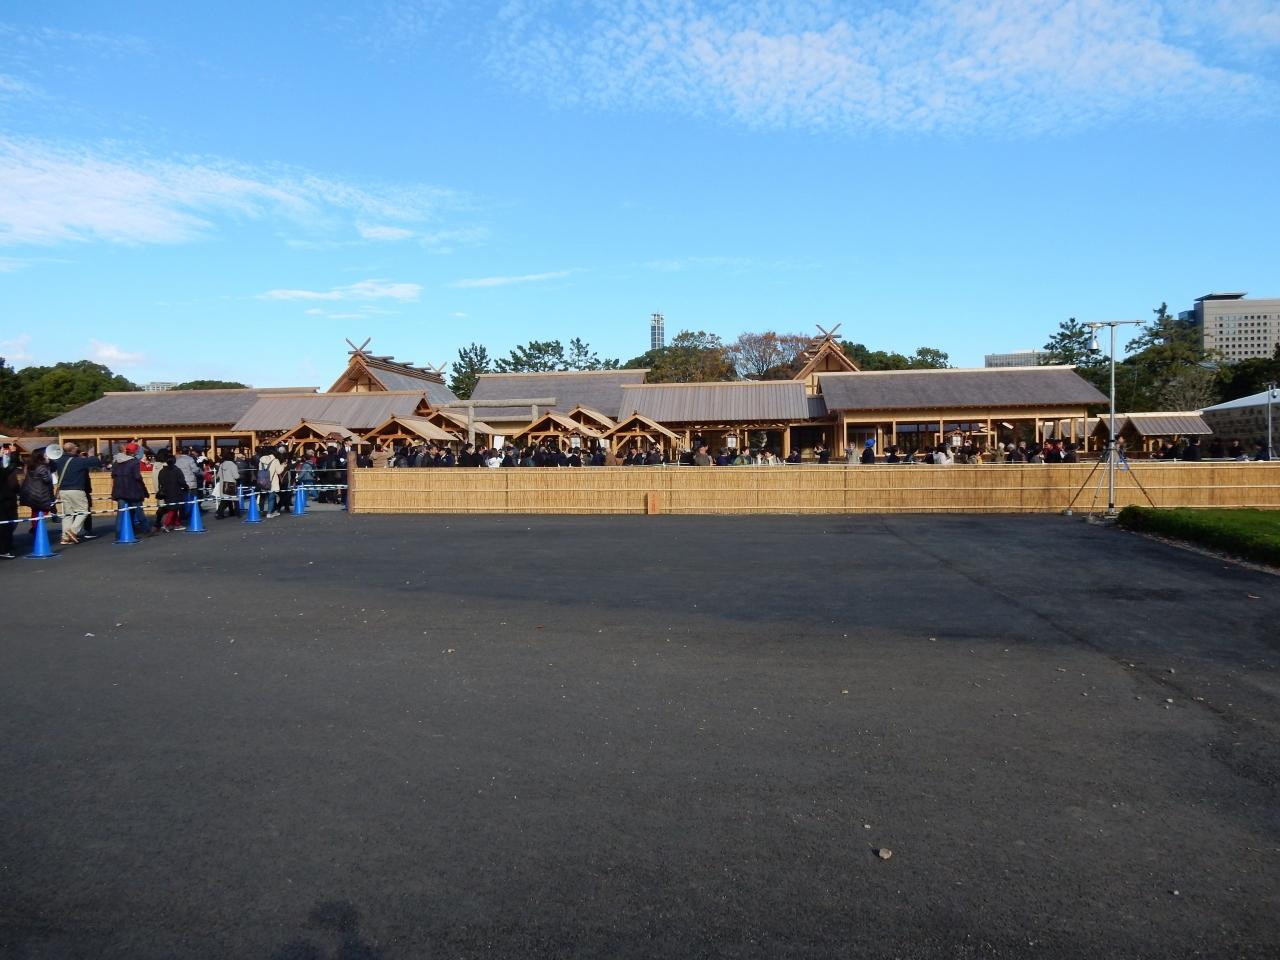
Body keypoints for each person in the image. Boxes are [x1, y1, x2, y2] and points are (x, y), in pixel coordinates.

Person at [55, 443, 98, 544]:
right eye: (75, 447)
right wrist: (90, 455)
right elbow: (96, 461)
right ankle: (73, 531)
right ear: (73, 450)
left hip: (63, 490)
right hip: (76, 489)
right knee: (83, 511)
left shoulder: (59, 461)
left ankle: (65, 537)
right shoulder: (79, 461)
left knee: (68, 514)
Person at [154, 454, 188, 532]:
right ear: (174, 461)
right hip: (176, 492)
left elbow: (160, 482)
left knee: (173, 508)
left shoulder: (162, 471)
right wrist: (186, 487)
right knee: (173, 509)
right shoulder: (177, 470)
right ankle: (166, 524)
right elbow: (182, 482)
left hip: (166, 492)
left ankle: (176, 524)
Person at [0, 442, 21, 558]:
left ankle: (5, 547)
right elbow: (9, 468)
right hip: (4, 498)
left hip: (6, 497)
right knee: (5, 525)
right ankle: (3, 550)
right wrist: (13, 453)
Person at [215, 452, 240, 519]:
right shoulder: (233, 465)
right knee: (235, 499)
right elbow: (236, 476)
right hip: (231, 484)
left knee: (225, 499)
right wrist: (239, 475)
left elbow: (219, 475)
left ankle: (221, 513)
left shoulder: (222, 464)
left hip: (223, 483)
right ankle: (237, 513)